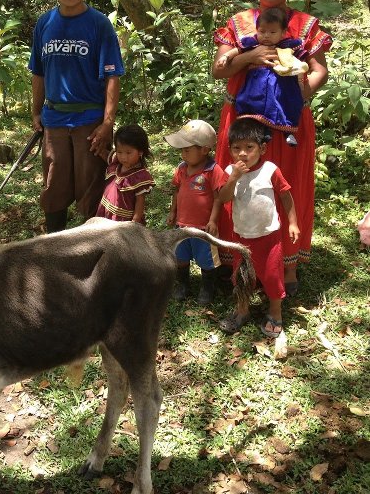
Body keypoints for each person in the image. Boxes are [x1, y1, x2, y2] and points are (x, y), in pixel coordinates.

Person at [212, 0, 331, 297]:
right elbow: (219, 69)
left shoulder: (305, 25)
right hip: (242, 123)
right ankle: (239, 260)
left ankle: (287, 265)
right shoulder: (239, 24)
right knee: (240, 182)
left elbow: (320, 69)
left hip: (290, 123)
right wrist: (248, 57)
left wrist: (302, 82)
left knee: (286, 185)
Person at [29, 0, 125, 233]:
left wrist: (107, 123)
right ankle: (55, 247)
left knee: (91, 187)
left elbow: (112, 75)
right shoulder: (44, 24)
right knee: (53, 186)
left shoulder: (98, 24)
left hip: (89, 120)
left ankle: (92, 246)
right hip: (55, 119)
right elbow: (38, 73)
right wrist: (36, 111)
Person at [217, 117, 300, 337]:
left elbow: (285, 195)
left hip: (268, 237)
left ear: (262, 148)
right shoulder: (229, 172)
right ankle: (242, 310)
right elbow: (222, 197)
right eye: (237, 148)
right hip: (241, 238)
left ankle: (276, 313)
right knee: (242, 277)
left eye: (249, 148)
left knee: (272, 277)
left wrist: (293, 222)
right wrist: (233, 178)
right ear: (230, 150)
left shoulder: (270, 170)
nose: (243, 153)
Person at [215, 7, 310, 147]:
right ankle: (263, 133)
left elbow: (302, 54)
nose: (266, 36)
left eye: (272, 32)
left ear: (283, 33)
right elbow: (238, 50)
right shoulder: (253, 44)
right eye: (262, 31)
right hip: (256, 84)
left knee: (285, 106)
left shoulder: (286, 45)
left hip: (281, 85)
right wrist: (225, 56)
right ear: (257, 29)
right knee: (253, 104)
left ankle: (288, 133)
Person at [165, 119, 226, 304]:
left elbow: (219, 198)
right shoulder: (181, 169)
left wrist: (213, 221)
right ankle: (183, 284)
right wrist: (172, 211)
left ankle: (207, 287)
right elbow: (176, 191)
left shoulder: (213, 170)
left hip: (203, 228)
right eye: (181, 150)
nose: (183, 153)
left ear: (205, 150)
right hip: (182, 225)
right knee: (180, 256)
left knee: (206, 259)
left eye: (187, 149)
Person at [95, 124, 155, 224]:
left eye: (128, 153)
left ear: (140, 152)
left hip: (122, 220)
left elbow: (140, 204)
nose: (123, 157)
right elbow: (106, 156)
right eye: (119, 152)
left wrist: (134, 222)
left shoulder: (140, 177)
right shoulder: (116, 162)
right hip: (105, 211)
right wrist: (98, 147)